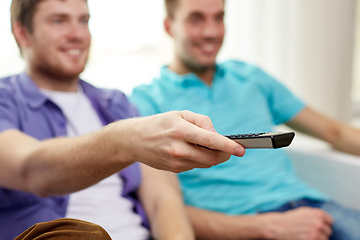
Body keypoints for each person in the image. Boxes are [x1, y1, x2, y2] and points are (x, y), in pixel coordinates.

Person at [0, 0, 246, 239]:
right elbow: (31, 168)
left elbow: (162, 201)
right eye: (59, 21)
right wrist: (125, 141)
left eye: (83, 21)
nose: (77, 34)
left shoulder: (116, 104)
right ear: (22, 32)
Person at [130, 0, 360, 239]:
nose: (211, 32)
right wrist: (267, 227)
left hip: (313, 209)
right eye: (196, 19)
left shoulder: (250, 77)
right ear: (169, 26)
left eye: (218, 18)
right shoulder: (146, 103)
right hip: (244, 228)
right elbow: (163, 208)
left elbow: (335, 132)